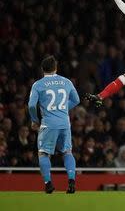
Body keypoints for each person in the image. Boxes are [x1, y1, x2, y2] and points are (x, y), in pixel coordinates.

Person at [28, 56, 80, 193]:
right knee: (67, 152)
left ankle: (48, 184)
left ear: (42, 69)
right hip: (64, 123)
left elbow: (32, 105)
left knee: (43, 153)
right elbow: (76, 100)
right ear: (56, 68)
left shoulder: (38, 85)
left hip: (48, 123)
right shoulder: (66, 82)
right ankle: (71, 181)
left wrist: (35, 120)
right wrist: (62, 108)